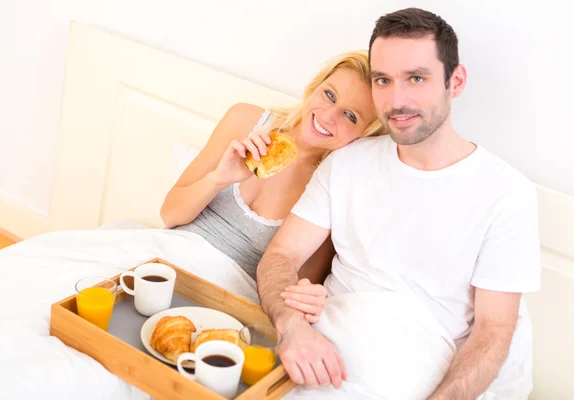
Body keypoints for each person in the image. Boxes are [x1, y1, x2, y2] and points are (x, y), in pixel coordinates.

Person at [257, 7, 541, 400]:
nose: (397, 99)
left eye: (417, 78)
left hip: (411, 368)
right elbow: (281, 255)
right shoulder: (346, 163)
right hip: (317, 349)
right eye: (383, 80)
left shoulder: (507, 194)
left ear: (455, 82)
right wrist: (293, 326)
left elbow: (493, 331)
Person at [160, 50, 386, 321]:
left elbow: (293, 286)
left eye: (350, 116)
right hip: (164, 260)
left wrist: (307, 296)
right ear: (315, 87)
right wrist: (219, 178)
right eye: (329, 95)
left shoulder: (332, 187)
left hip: (225, 300)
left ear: (364, 134)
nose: (328, 117)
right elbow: (170, 215)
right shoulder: (245, 120)